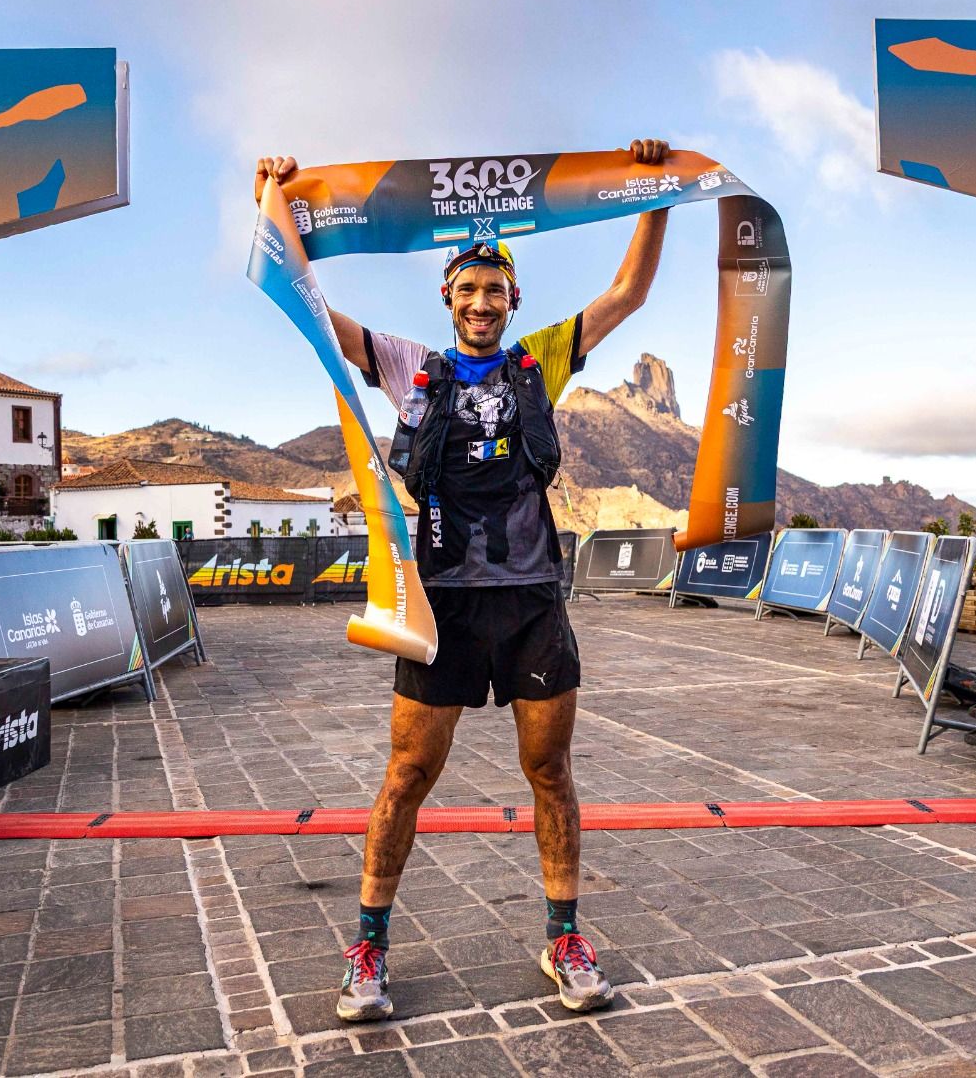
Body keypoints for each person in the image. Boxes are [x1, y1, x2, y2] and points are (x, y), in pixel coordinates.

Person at [255, 140, 672, 1020]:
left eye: (495, 289)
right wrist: (275, 203)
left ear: (512, 300)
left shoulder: (540, 362)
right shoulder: (412, 367)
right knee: (408, 774)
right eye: (467, 288)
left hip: (530, 605)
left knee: (549, 772)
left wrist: (658, 194)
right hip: (441, 608)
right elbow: (311, 309)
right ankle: (367, 949)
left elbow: (627, 295)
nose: (482, 302)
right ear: (448, 298)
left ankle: (563, 936)